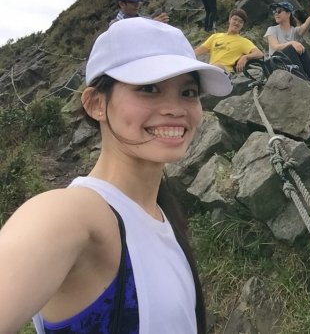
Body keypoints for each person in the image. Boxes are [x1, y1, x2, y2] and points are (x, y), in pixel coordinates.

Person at [0, 17, 233, 334]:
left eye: (188, 92)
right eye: (148, 88)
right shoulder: (72, 214)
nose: (176, 108)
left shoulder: (162, 215)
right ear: (96, 103)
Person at [264, 0, 310, 86]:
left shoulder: (295, 31)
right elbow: (276, 47)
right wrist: (292, 42)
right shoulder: (272, 29)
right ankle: (303, 80)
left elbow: (308, 23)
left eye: (279, 11)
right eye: (274, 11)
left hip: (291, 66)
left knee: (302, 49)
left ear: (288, 13)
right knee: (291, 48)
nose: (276, 14)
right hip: (276, 64)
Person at [194, 8, 264, 73]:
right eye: (235, 19)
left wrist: (245, 57)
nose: (237, 23)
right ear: (229, 19)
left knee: (217, 66)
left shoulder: (243, 41)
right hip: (212, 69)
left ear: (242, 25)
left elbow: (259, 54)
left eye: (240, 22)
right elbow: (197, 52)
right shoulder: (215, 36)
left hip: (225, 72)